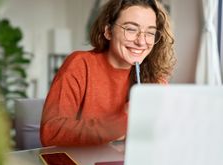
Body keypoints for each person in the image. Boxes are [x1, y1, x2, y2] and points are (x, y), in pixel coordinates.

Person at [40, 0, 175, 146]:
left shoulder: (154, 77)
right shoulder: (80, 64)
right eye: (130, 29)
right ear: (108, 31)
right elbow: (51, 132)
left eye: (150, 33)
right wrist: (120, 124)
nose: (142, 42)